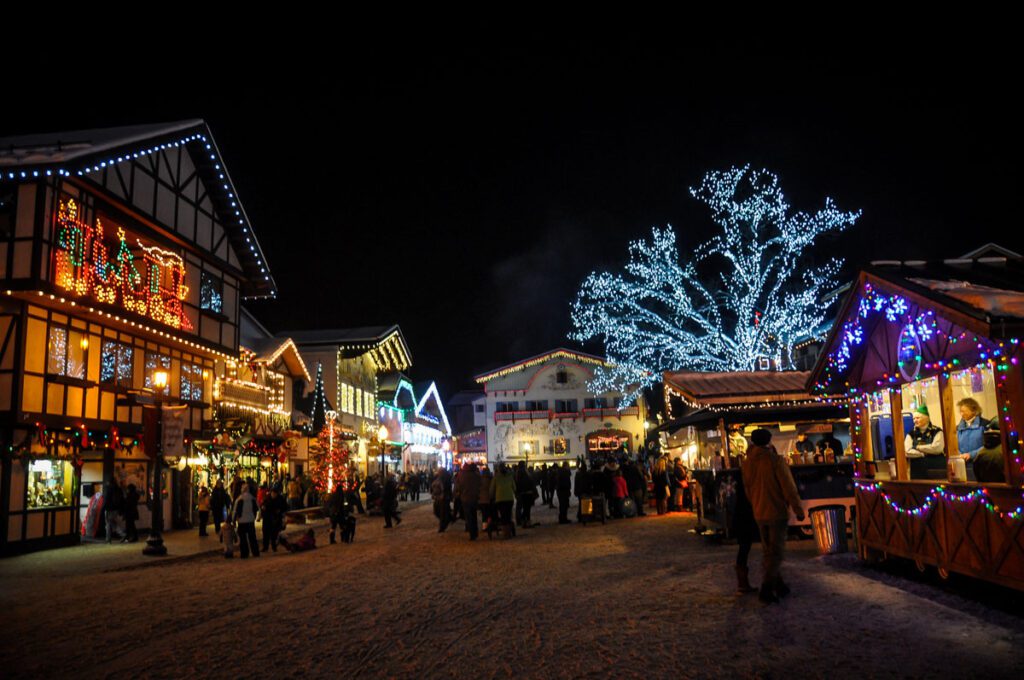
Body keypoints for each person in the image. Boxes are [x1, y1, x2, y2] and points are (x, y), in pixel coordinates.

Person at [741, 428, 805, 604]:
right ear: (769, 441)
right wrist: (798, 510)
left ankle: (779, 585)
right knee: (775, 552)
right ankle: (767, 588)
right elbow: (789, 488)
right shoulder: (775, 461)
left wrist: (756, 504)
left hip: (759, 512)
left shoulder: (747, 463)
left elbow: (748, 489)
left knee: (768, 550)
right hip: (776, 511)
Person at [733, 471, 759, 594]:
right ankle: (743, 584)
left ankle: (742, 583)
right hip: (747, 517)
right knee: (745, 547)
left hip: (741, 517)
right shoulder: (750, 482)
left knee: (744, 548)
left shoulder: (742, 478)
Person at [905, 405, 945, 478]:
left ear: (926, 418)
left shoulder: (937, 431)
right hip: (917, 472)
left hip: (936, 470)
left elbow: (937, 448)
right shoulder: (911, 434)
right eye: (913, 419)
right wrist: (922, 454)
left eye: (917, 418)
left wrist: (917, 447)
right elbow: (907, 451)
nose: (915, 421)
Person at [956, 397, 990, 462]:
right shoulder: (957, 428)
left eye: (964, 411)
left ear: (974, 411)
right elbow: (954, 446)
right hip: (963, 463)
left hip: (981, 462)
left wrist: (971, 455)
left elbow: (988, 445)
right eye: (960, 411)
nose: (961, 414)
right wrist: (960, 455)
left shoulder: (985, 425)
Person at [455, 463, 481, 540]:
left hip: (465, 498)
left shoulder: (461, 475)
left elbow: (458, 487)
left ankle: (472, 534)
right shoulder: (476, 475)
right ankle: (475, 532)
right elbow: (480, 485)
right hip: (475, 498)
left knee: (468, 517)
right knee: (474, 515)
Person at [233, 484, 260, 558]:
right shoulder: (252, 498)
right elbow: (257, 508)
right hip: (250, 520)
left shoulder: (239, 499)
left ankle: (244, 553)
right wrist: (255, 517)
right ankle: (255, 552)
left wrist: (234, 520)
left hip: (241, 521)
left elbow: (235, 511)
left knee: (243, 538)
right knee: (252, 538)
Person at [490, 463, 516, 536]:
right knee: (508, 514)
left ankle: (506, 532)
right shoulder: (510, 476)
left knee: (503, 515)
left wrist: (491, 497)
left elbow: (492, 489)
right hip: (509, 499)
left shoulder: (496, 477)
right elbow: (514, 487)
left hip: (500, 499)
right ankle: (509, 530)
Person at [261, 484, 288, 552]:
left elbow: (285, 507)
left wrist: (280, 511)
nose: (273, 495)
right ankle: (265, 547)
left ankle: (274, 546)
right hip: (267, 518)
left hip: (275, 519)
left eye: (274, 493)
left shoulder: (280, 499)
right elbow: (263, 506)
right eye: (272, 493)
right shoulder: (267, 498)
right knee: (265, 533)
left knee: (274, 534)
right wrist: (263, 508)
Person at [515, 461, 536, 528]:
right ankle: (525, 521)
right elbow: (528, 482)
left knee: (525, 508)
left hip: (523, 492)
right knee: (526, 508)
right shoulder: (523, 472)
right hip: (526, 492)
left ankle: (524, 521)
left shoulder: (519, 472)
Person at [103, 479, 124, 544]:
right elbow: (122, 499)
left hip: (109, 509)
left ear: (109, 482)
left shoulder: (109, 489)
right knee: (112, 522)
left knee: (109, 523)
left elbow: (106, 499)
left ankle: (108, 539)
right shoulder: (118, 489)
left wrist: (103, 508)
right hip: (116, 509)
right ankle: (122, 534)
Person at [431, 468, 450, 533]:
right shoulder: (438, 477)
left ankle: (442, 526)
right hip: (438, 497)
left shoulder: (446, 478)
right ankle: (447, 520)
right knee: (436, 511)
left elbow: (445, 488)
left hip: (443, 497)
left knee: (442, 512)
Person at [478, 466, 494, 531]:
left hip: (482, 499)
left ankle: (484, 527)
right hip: (490, 498)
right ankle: (490, 525)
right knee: (490, 513)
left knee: (484, 514)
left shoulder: (480, 479)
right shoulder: (491, 479)